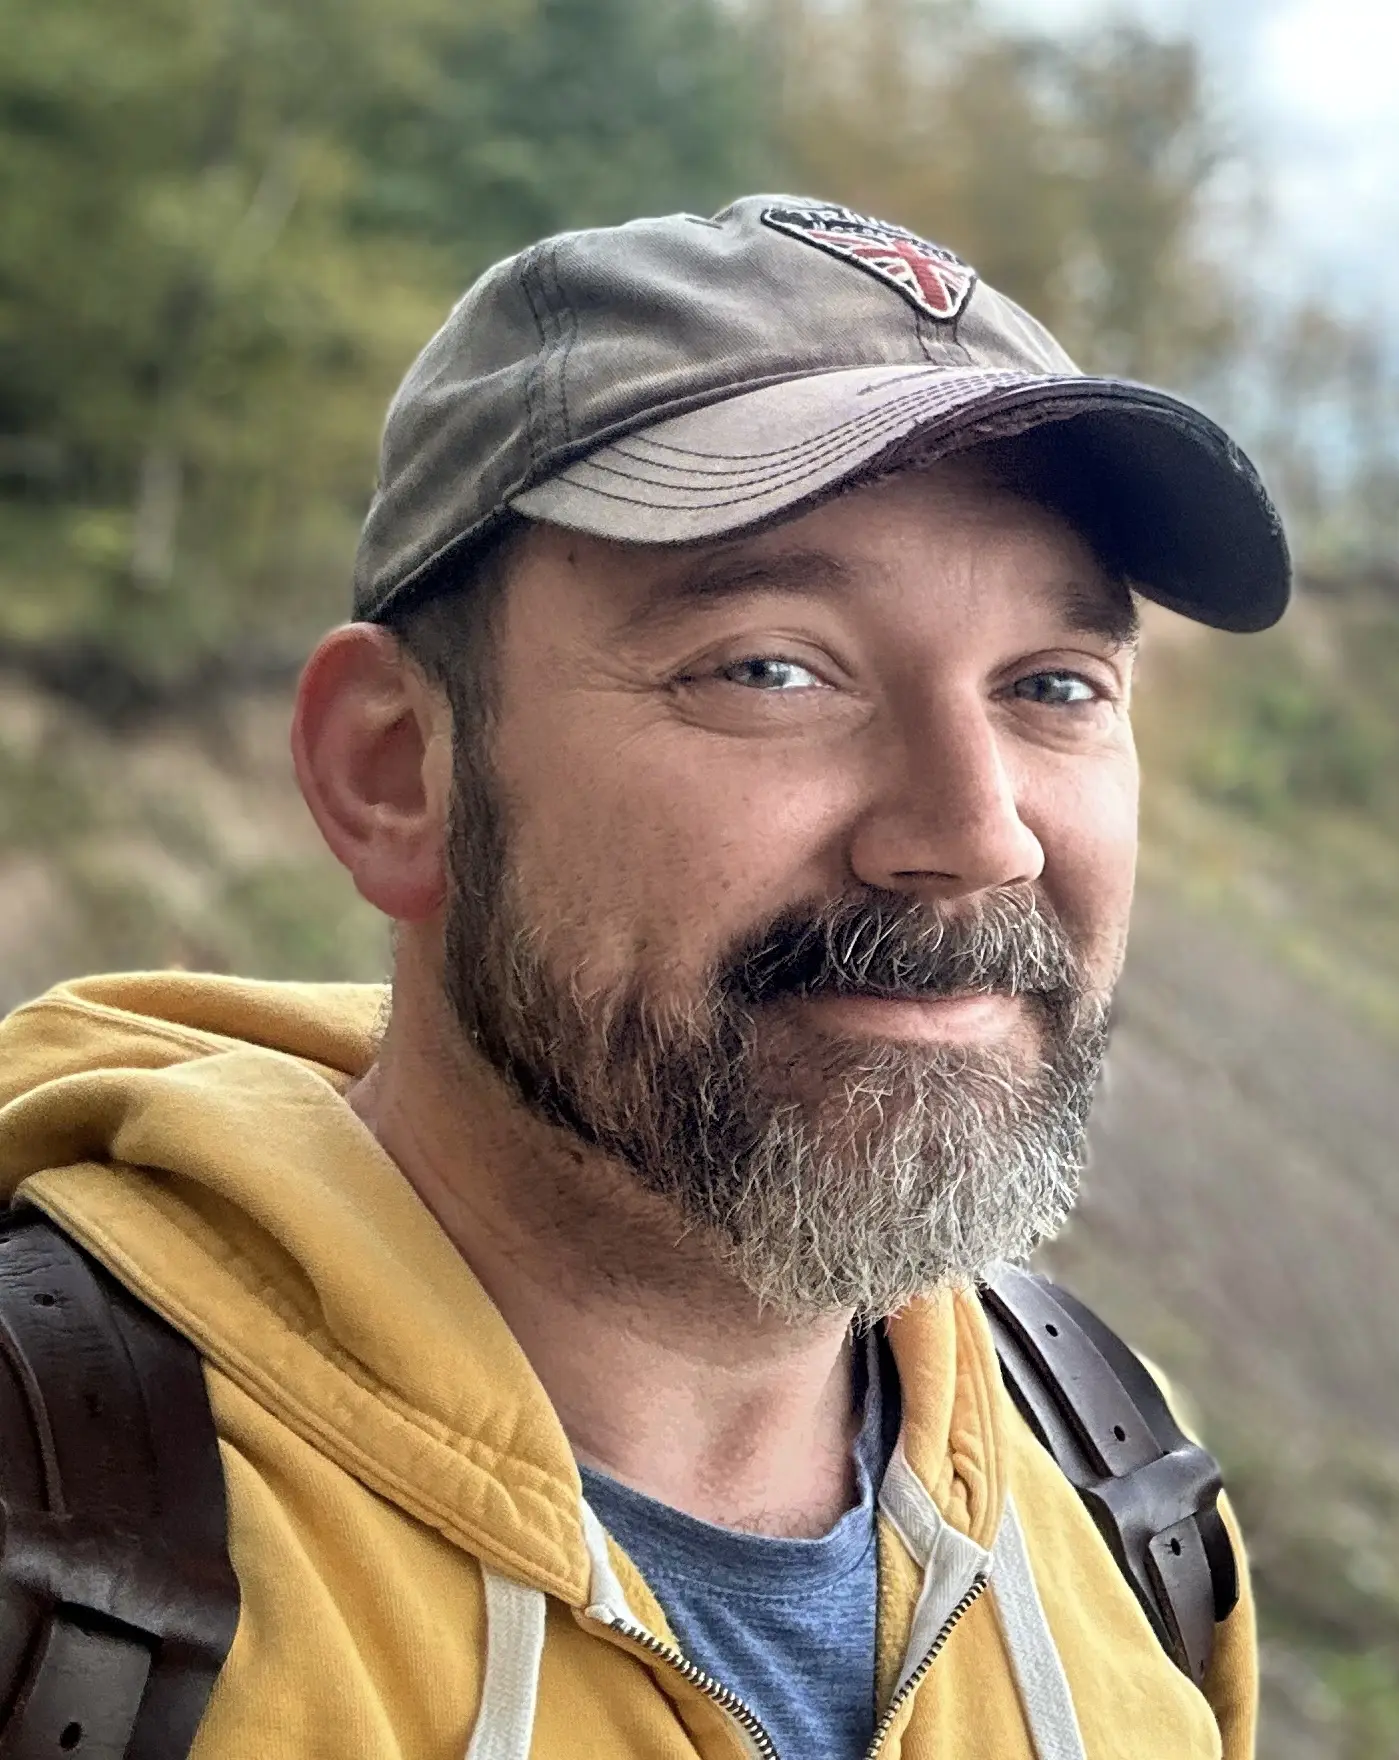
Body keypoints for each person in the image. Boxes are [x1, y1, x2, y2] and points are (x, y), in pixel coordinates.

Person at [0, 195, 1287, 1758]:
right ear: (398, 774)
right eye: (770, 667)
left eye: (1055, 686)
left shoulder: (1117, 1492)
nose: (976, 833)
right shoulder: (60, 1545)